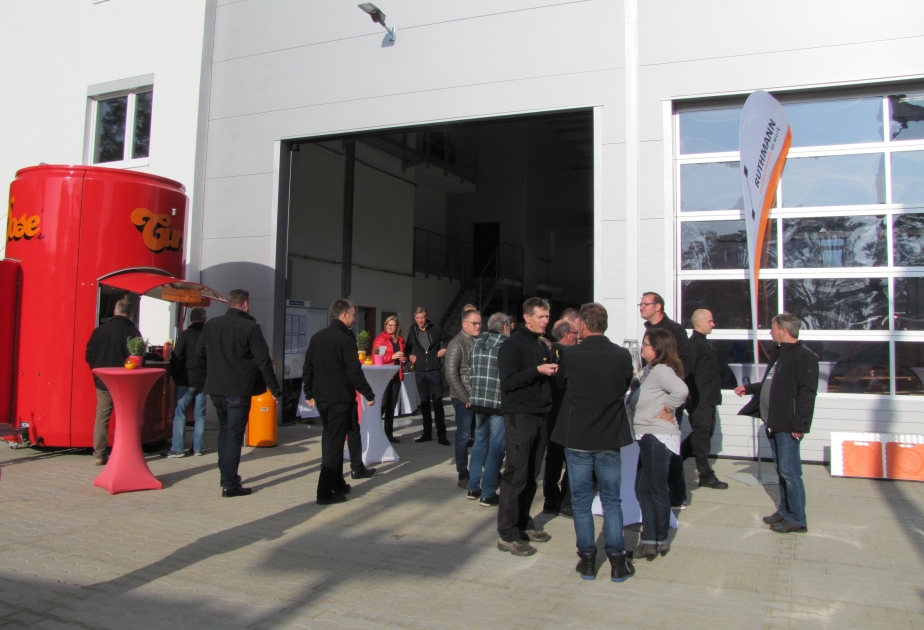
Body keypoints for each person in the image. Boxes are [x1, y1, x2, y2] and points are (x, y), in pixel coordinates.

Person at [552, 303, 636, 582]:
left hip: (577, 437)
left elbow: (562, 385)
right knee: (612, 500)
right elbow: (625, 386)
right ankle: (617, 560)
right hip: (609, 436)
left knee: (581, 502)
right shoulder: (622, 355)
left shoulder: (571, 355)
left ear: (584, 327)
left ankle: (587, 560)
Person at [734, 313, 818, 534]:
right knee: (782, 471)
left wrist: (800, 426)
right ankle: (785, 510)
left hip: (789, 424)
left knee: (791, 473)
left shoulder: (803, 356)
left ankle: (797, 518)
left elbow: (807, 393)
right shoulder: (781, 353)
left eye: (773, 328)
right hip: (774, 421)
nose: (770, 332)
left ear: (784, 330)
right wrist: (750, 388)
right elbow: (770, 384)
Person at [196, 289, 281, 498]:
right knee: (234, 435)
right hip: (239, 389)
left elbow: (199, 352)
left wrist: (216, 365)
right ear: (245, 304)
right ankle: (230, 483)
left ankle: (225, 476)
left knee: (224, 432)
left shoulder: (212, 325)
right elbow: (263, 361)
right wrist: (275, 390)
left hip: (216, 389)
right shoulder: (250, 327)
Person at [496, 297, 557, 557]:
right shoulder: (512, 345)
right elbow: (508, 382)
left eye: (547, 316)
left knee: (532, 473)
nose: (546, 321)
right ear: (527, 317)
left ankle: (523, 522)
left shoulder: (542, 344)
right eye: (541, 316)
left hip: (540, 414)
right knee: (516, 473)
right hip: (520, 416)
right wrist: (537, 371)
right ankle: (507, 533)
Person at [303, 298, 377, 505]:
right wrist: (368, 394)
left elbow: (308, 367)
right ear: (344, 315)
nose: (354, 318)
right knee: (335, 446)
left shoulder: (318, 337)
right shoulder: (344, 340)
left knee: (331, 439)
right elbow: (354, 371)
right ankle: (324, 492)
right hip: (339, 399)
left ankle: (338, 483)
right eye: (353, 314)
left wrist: (309, 392)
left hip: (323, 399)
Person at [628, 328, 689, 560]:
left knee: (655, 488)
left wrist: (666, 410)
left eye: (646, 344)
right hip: (647, 435)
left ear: (658, 348)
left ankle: (659, 539)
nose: (642, 348)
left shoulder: (662, 369)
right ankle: (650, 537)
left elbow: (681, 391)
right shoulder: (650, 370)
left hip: (656, 436)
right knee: (643, 488)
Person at [640, 291, 694, 509]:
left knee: (668, 444)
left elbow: (688, 360)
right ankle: (655, 489)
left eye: (646, 304)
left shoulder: (674, 330)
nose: (641, 307)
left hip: (667, 398)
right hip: (650, 397)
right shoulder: (649, 330)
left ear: (658, 307)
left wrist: (671, 380)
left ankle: (676, 494)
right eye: (640, 304)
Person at [85, 298, 142, 466]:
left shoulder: (99, 331)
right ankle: (121, 452)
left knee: (102, 416)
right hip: (125, 382)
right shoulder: (132, 331)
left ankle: (99, 454)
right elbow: (138, 357)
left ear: (115, 311)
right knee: (124, 417)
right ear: (129, 313)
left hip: (103, 381)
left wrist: (98, 370)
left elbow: (88, 356)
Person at [680, 309, 728, 489]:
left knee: (703, 436)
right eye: (710, 321)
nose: (713, 324)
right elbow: (686, 372)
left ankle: (674, 461)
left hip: (708, 399)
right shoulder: (694, 345)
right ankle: (706, 475)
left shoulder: (704, 344)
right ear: (699, 323)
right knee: (701, 439)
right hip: (699, 400)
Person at [467, 312, 511, 508]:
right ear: (504, 327)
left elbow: (470, 369)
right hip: (497, 402)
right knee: (496, 448)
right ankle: (488, 491)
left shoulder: (477, 343)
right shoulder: (506, 346)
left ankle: (473, 487)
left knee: (479, 444)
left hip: (478, 400)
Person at [542, 318, 578, 515]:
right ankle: (566, 500)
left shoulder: (545, 352)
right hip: (564, 415)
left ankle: (550, 499)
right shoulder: (568, 355)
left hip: (549, 413)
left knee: (553, 459)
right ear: (566, 335)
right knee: (572, 460)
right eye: (575, 334)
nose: (577, 338)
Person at [445, 308, 482, 490]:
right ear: (464, 324)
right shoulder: (457, 343)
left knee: (480, 436)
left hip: (478, 396)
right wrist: (465, 397)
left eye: (479, 323)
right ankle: (463, 474)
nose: (478, 326)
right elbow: (451, 374)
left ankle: (482, 471)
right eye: (474, 323)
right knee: (463, 436)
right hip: (463, 398)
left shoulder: (478, 341)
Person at [405, 307, 452, 445]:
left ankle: (442, 435)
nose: (420, 320)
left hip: (434, 370)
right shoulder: (413, 330)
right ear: (415, 318)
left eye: (422, 317)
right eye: (418, 318)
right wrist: (410, 355)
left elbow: (451, 340)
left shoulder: (436, 328)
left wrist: (445, 349)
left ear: (426, 317)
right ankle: (427, 433)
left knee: (437, 404)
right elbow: (407, 347)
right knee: (424, 404)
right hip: (420, 372)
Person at [167, 307, 208, 457]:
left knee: (180, 413)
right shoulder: (209, 335)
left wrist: (175, 375)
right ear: (204, 318)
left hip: (186, 379)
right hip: (204, 380)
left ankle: (177, 448)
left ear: (191, 318)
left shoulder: (186, 335)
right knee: (200, 415)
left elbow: (177, 357)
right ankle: (197, 448)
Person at [372, 316, 405, 443]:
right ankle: (375, 431)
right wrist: (392, 356)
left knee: (392, 405)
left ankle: (388, 434)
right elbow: (377, 358)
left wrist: (404, 359)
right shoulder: (381, 340)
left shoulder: (400, 340)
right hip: (385, 376)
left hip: (397, 375)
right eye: (388, 325)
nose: (390, 327)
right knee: (383, 404)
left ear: (397, 327)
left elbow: (402, 356)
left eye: (392, 325)